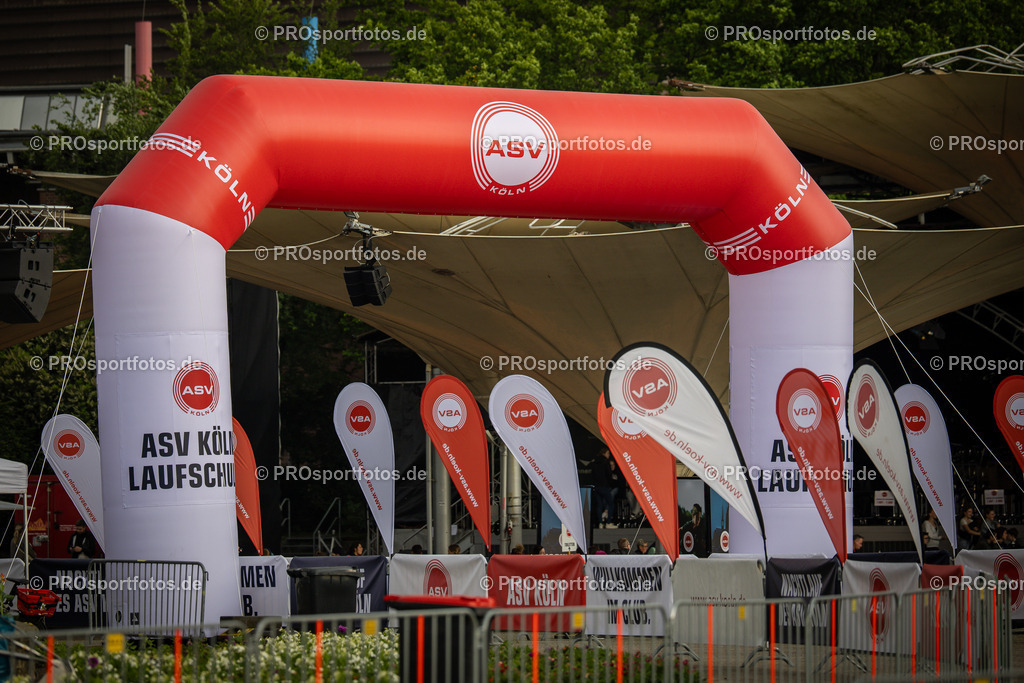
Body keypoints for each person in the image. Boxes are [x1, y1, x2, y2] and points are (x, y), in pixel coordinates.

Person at [592, 448, 620, 529]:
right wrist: (609, 483)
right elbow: (609, 474)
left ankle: (600, 523)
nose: (609, 455)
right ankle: (608, 523)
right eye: (608, 453)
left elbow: (592, 474)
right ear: (604, 453)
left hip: (597, 486)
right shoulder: (605, 462)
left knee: (599, 505)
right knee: (610, 504)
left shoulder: (594, 462)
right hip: (604, 486)